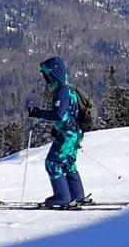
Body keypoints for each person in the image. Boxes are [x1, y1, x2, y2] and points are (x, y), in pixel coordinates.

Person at [26, 56, 90, 208]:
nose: (45, 78)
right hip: (74, 133)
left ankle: (62, 197)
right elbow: (69, 114)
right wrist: (57, 128)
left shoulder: (62, 91)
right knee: (68, 164)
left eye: (46, 74)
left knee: (53, 163)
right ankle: (77, 195)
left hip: (67, 135)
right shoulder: (70, 89)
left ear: (53, 74)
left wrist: (38, 113)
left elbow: (59, 115)